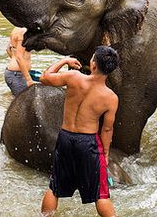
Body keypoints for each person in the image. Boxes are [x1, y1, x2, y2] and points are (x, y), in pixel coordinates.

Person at [40, 46, 119, 216]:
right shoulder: (111, 97)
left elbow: (44, 77)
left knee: (54, 187)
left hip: (65, 137)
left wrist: (65, 60)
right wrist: (104, 153)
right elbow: (107, 129)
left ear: (94, 66)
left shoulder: (74, 77)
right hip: (88, 142)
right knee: (101, 194)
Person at [5, 27, 33, 96]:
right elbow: (19, 57)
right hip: (17, 75)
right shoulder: (23, 31)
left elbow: (8, 49)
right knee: (25, 103)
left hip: (15, 73)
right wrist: (29, 80)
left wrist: (14, 61)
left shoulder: (16, 28)